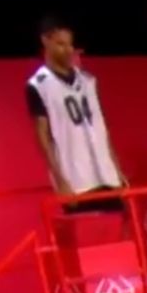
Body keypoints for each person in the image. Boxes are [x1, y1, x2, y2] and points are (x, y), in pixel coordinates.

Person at [27, 15, 128, 213]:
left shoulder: (88, 81)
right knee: (87, 231)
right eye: (60, 44)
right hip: (76, 182)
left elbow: (101, 127)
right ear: (45, 41)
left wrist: (116, 168)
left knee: (119, 228)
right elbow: (42, 136)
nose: (68, 50)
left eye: (70, 45)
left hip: (106, 176)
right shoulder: (38, 85)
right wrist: (60, 180)